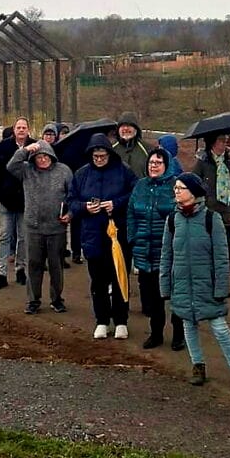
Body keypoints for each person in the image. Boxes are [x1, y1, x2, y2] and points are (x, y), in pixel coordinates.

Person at [160, 173, 230, 391]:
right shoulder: (172, 220)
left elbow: (221, 257)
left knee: (219, 328)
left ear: (194, 192)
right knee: (188, 326)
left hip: (206, 286)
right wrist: (165, 286)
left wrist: (221, 289)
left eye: (181, 188)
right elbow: (166, 255)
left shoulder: (211, 219)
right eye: (175, 188)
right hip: (182, 284)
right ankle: (198, 365)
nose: (176, 191)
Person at [69, 133, 137, 339]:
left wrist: (115, 204)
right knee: (98, 281)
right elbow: (71, 201)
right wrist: (84, 207)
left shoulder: (123, 171)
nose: (99, 159)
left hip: (118, 234)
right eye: (96, 156)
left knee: (119, 278)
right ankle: (102, 320)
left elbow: (135, 194)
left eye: (103, 156)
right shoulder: (81, 174)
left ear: (109, 153)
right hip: (92, 234)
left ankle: (121, 320)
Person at [7, 140, 72, 314]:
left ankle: (57, 299)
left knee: (56, 266)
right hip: (33, 227)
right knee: (34, 265)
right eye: (38, 157)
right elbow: (11, 166)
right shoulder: (27, 170)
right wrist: (25, 150)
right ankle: (33, 300)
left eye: (45, 156)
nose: (42, 160)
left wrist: (70, 213)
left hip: (56, 227)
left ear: (51, 156)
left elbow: (73, 195)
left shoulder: (64, 171)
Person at [127, 148, 183, 349]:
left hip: (168, 250)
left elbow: (181, 213)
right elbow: (131, 213)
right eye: (151, 163)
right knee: (152, 297)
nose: (154, 166)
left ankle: (179, 335)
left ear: (166, 166)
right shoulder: (141, 186)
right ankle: (156, 333)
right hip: (144, 249)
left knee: (175, 295)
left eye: (158, 163)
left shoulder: (175, 186)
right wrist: (132, 238)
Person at [0, 117, 34, 289]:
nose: (21, 130)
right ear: (14, 129)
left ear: (28, 129)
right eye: (18, 127)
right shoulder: (3, 147)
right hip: (6, 198)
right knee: (4, 236)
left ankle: (20, 268)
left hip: (26, 199)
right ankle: (1, 272)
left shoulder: (35, 146)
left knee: (23, 237)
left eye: (24, 127)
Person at [192, 133, 230, 249]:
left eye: (226, 139)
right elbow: (195, 184)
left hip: (228, 211)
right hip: (209, 210)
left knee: (225, 246)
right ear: (213, 143)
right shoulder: (203, 162)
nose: (224, 142)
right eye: (221, 140)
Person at [112, 113, 150, 178]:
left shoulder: (147, 149)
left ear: (136, 129)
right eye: (123, 126)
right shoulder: (111, 148)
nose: (126, 128)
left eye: (129, 126)